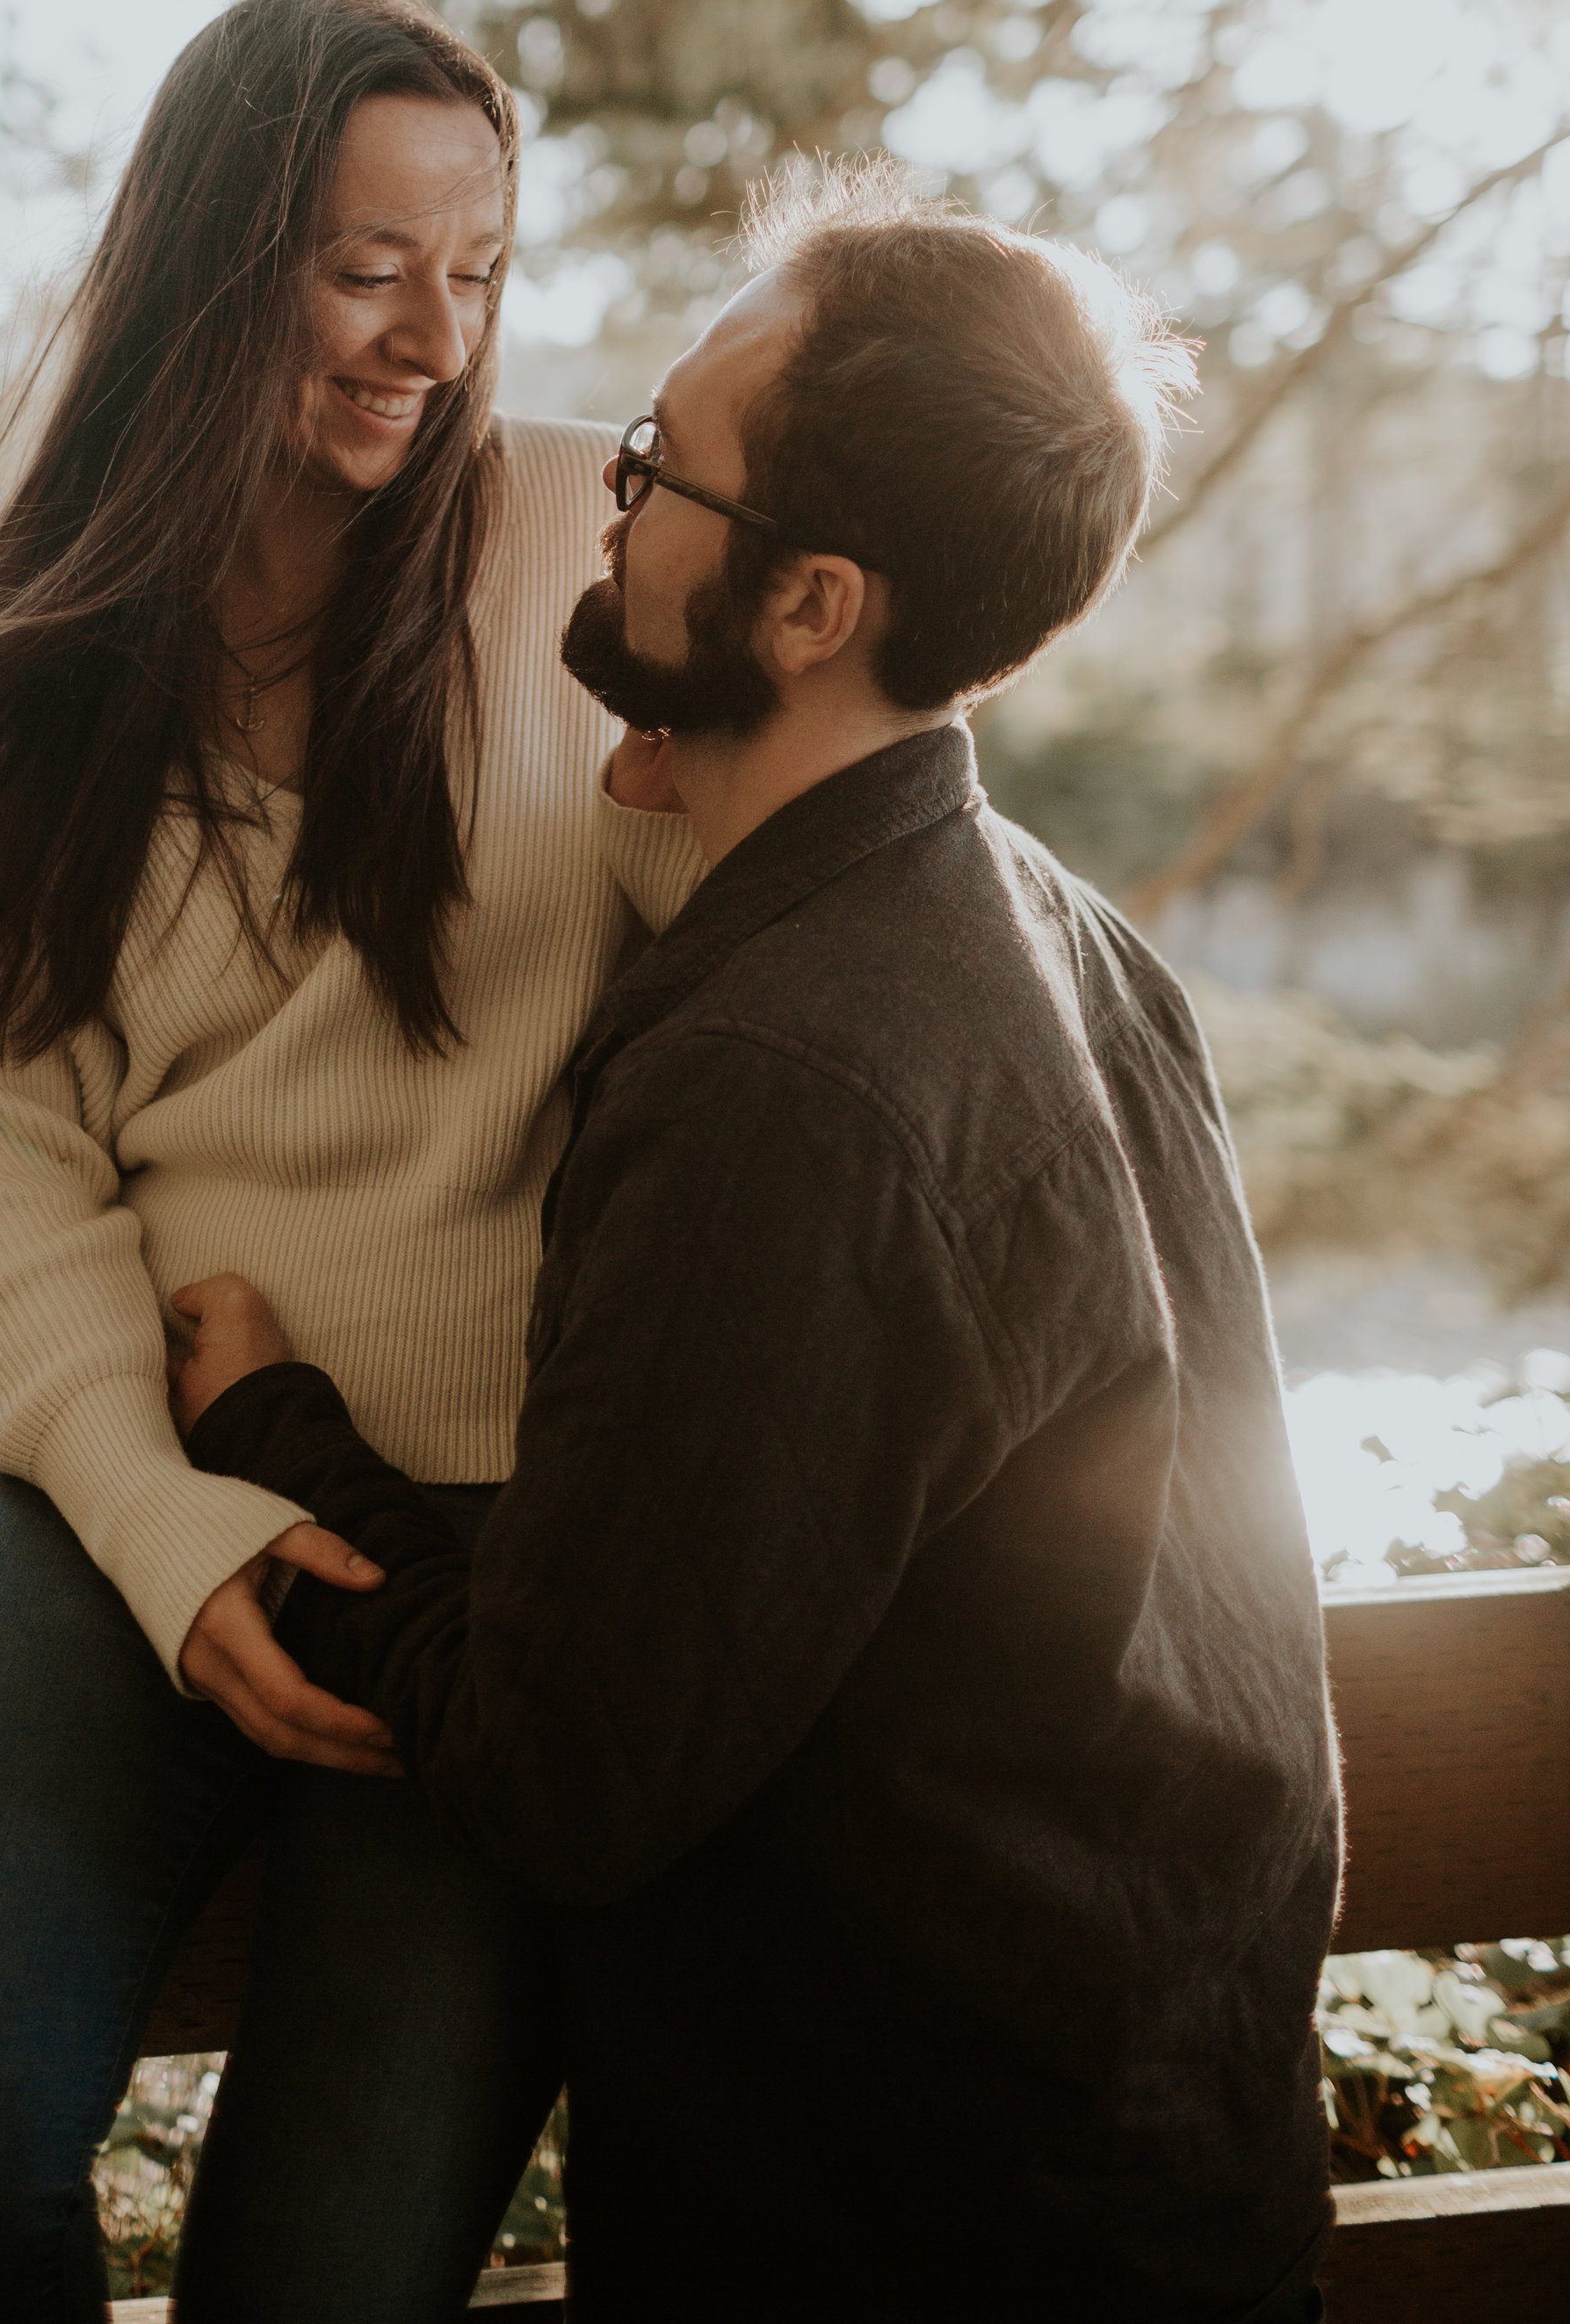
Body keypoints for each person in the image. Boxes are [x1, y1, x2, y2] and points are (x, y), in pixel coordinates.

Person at [0, 0, 701, 2324]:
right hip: (121, 1468)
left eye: (481, 265)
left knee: (316, 2287)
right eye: (364, 263)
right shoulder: (33, 688)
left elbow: (774, 951)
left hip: (495, 1547)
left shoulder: (578, 558)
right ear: (219, 259)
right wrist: (162, 1514)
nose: (435, 331)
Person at [172, 170, 1342, 2322]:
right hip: (1164, 2184)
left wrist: (271, 1428)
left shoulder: (784, 1082)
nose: (599, 507)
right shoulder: (1056, 935)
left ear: (806, 605)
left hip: (906, 2240)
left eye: (651, 471)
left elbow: (552, 1775)